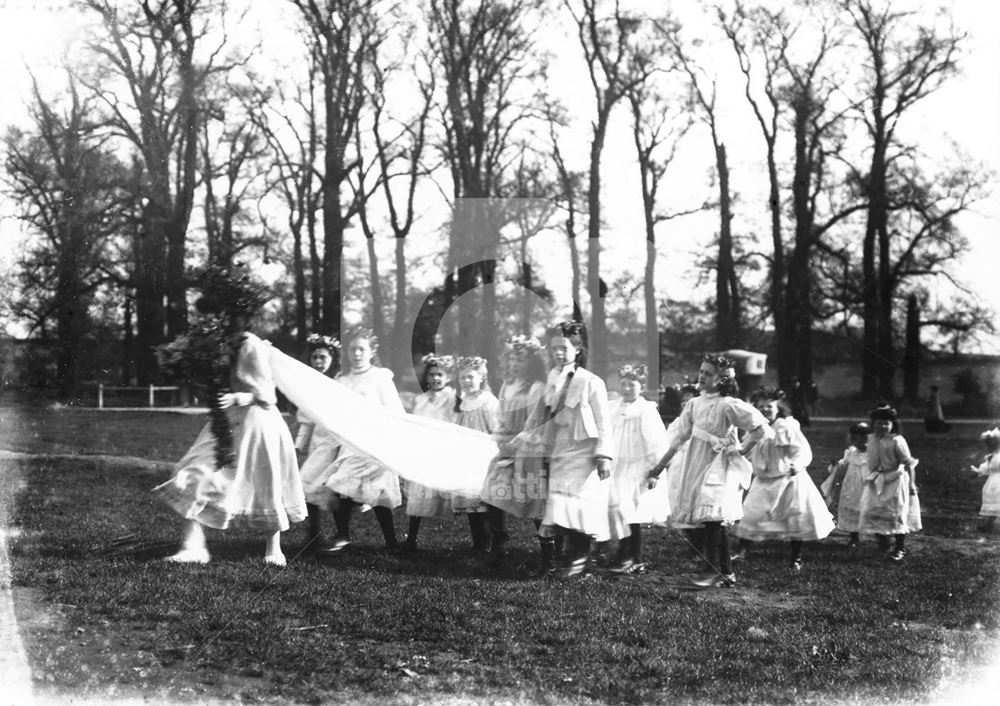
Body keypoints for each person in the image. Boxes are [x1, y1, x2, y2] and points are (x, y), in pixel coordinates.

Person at [154, 294, 306, 566]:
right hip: (227, 419)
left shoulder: (250, 344)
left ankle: (274, 547)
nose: (213, 319)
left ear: (234, 316)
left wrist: (238, 397)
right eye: (210, 314)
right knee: (196, 468)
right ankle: (194, 546)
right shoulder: (212, 342)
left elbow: (267, 393)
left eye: (219, 313)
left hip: (257, 421)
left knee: (263, 480)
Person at [647, 354, 773, 588]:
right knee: (711, 521)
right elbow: (677, 440)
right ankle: (726, 572)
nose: (702, 376)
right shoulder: (694, 404)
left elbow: (760, 428)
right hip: (696, 465)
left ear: (722, 379)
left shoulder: (729, 405)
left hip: (719, 467)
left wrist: (741, 450)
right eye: (701, 371)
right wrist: (658, 467)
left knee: (713, 519)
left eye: (708, 373)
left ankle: (711, 571)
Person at [516, 321, 613, 579]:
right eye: (554, 348)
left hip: (583, 451)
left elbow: (604, 422)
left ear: (578, 349)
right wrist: (524, 437)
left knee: (576, 505)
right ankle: (572, 559)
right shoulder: (552, 378)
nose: (558, 353)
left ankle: (580, 560)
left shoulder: (591, 382)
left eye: (564, 347)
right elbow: (541, 414)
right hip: (559, 448)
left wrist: (603, 456)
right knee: (559, 505)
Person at [316, 329, 404, 553]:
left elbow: (394, 411)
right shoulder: (342, 379)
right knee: (339, 485)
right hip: (349, 442)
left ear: (371, 351)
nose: (356, 354)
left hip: (375, 441)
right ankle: (343, 535)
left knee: (377, 492)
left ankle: (391, 541)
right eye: (352, 349)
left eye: (361, 349)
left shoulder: (380, 377)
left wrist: (389, 441)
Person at [733, 388, 834, 570]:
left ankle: (796, 557)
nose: (765, 410)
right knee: (752, 513)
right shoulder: (755, 428)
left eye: (769, 406)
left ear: (778, 408)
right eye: (761, 407)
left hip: (787, 478)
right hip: (763, 479)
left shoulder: (786, 427)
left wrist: (797, 464)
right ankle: (742, 550)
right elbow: (746, 451)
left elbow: (802, 450)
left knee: (795, 518)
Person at [480, 335, 549, 568]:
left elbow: (535, 421)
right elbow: (500, 415)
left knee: (531, 498)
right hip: (506, 445)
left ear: (531, 362)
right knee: (493, 493)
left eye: (521, 360)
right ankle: (498, 543)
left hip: (529, 447)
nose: (515, 364)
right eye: (511, 359)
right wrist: (500, 435)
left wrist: (516, 442)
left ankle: (548, 551)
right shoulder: (507, 385)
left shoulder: (537, 387)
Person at [606, 364, 670, 575]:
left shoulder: (645, 410)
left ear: (640, 386)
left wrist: (654, 472)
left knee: (630, 511)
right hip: (619, 466)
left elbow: (656, 443)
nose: (626, 389)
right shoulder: (614, 407)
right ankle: (624, 552)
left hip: (638, 467)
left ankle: (633, 557)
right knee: (617, 510)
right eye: (623, 384)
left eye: (631, 384)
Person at [403, 354, 458, 552]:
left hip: (446, 450)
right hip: (425, 450)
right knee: (418, 495)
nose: (436, 379)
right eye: (432, 375)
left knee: (458, 497)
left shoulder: (454, 398)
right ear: (426, 378)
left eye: (440, 375)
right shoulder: (420, 400)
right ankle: (412, 538)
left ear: (448, 377)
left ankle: (480, 542)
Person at [295, 334, 343, 555]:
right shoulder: (308, 385)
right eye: (314, 357)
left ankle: (342, 535)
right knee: (310, 486)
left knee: (332, 489)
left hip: (336, 443)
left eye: (323, 357)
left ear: (332, 358)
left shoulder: (339, 383)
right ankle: (314, 534)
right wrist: (299, 445)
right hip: (318, 443)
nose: (318, 362)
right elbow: (305, 420)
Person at [858, 404, 921, 562]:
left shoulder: (897, 441)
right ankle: (883, 540)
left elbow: (908, 464)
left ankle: (900, 547)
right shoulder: (871, 438)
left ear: (893, 424)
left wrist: (912, 484)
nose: (882, 426)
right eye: (879, 423)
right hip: (875, 479)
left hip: (895, 480)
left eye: (886, 423)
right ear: (873, 424)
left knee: (896, 513)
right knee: (873, 509)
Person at [451, 355, 501, 554]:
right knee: (470, 503)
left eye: (470, 377)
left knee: (484, 502)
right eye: (463, 377)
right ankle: (478, 543)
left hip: (484, 457)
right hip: (466, 458)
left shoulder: (488, 401)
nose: (466, 381)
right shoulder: (462, 402)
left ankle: (489, 543)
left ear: (482, 377)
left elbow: (495, 429)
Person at [821, 422, 871, 548]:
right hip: (853, 486)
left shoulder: (873, 453)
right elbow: (843, 465)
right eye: (856, 438)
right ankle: (854, 537)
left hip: (869, 485)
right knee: (853, 508)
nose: (860, 442)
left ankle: (882, 537)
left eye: (864, 438)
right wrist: (836, 464)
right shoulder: (851, 452)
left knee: (871, 509)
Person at [969, 427, 1000, 533]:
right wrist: (977, 472)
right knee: (994, 503)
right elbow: (987, 467)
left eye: (992, 444)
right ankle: (990, 524)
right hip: (992, 483)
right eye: (988, 445)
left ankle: (990, 524)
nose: (990, 447)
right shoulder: (991, 457)